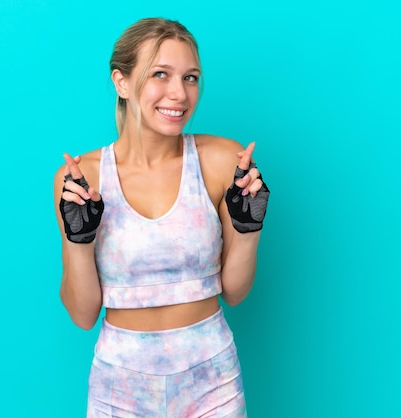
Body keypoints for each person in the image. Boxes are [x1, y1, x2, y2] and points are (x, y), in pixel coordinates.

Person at [53, 17, 270, 418]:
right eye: (160, 74)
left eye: (190, 77)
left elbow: (234, 292)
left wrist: (249, 230)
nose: (180, 93)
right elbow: (83, 314)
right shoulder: (85, 177)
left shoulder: (221, 160)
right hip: (120, 385)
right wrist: (79, 241)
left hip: (212, 379)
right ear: (121, 82)